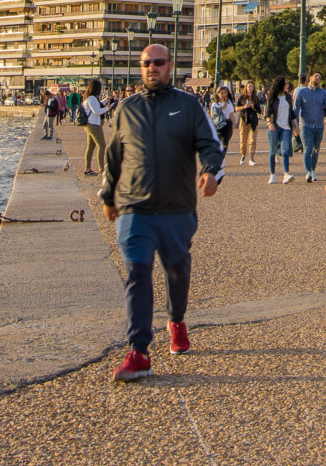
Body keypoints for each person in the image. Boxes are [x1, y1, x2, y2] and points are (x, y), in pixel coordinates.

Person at [100, 43, 225, 381]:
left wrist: (211, 171)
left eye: (158, 63)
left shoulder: (187, 106)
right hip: (134, 207)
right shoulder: (126, 109)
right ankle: (139, 351)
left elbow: (210, 144)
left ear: (170, 66)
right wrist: (108, 196)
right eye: (146, 64)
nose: (151, 68)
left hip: (176, 207)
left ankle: (177, 321)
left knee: (176, 271)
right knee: (137, 274)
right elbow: (113, 158)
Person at [295, 73, 326, 182]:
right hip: (305, 125)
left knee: (316, 149)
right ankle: (308, 172)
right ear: (310, 77)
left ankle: (312, 170)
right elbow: (296, 108)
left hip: (319, 126)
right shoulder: (301, 92)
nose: (317, 78)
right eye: (316, 76)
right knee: (307, 148)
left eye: (320, 77)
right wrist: (295, 124)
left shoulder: (323, 93)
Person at [265, 77, 295, 184]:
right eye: (285, 84)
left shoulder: (288, 97)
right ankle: (272, 174)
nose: (287, 86)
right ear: (281, 85)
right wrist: (269, 123)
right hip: (274, 126)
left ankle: (286, 174)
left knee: (285, 151)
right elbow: (268, 112)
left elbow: (291, 112)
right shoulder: (272, 97)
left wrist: (295, 124)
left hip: (286, 127)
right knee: (273, 152)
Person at [83, 79, 108, 176]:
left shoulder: (89, 98)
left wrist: (106, 100)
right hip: (93, 125)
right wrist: (108, 108)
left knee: (91, 146)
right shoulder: (92, 98)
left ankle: (87, 168)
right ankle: (101, 168)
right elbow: (97, 111)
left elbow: (97, 106)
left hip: (90, 124)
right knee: (102, 145)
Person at [235, 81, 260, 167]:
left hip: (253, 120)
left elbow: (259, 111)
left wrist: (253, 108)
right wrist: (244, 107)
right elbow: (236, 108)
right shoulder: (242, 97)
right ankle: (243, 155)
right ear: (246, 87)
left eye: (252, 86)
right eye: (249, 86)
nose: (251, 88)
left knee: (252, 140)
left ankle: (251, 158)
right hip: (244, 119)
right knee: (243, 139)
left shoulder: (256, 98)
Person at [209, 85, 236, 159]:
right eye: (222, 93)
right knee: (218, 141)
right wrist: (220, 108)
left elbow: (231, 114)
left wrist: (234, 123)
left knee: (225, 143)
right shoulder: (215, 104)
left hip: (227, 123)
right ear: (218, 94)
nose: (224, 95)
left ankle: (221, 158)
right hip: (218, 124)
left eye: (225, 93)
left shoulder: (229, 103)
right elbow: (212, 115)